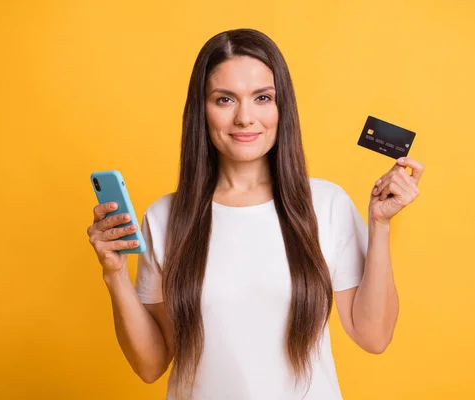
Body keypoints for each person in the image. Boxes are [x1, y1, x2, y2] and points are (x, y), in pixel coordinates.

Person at [87, 28, 424, 400]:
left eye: (262, 97)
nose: (245, 117)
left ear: (283, 108)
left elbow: (373, 336)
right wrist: (115, 274)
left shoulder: (326, 204)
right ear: (202, 110)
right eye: (225, 99)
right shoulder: (165, 217)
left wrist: (379, 225)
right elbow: (150, 365)